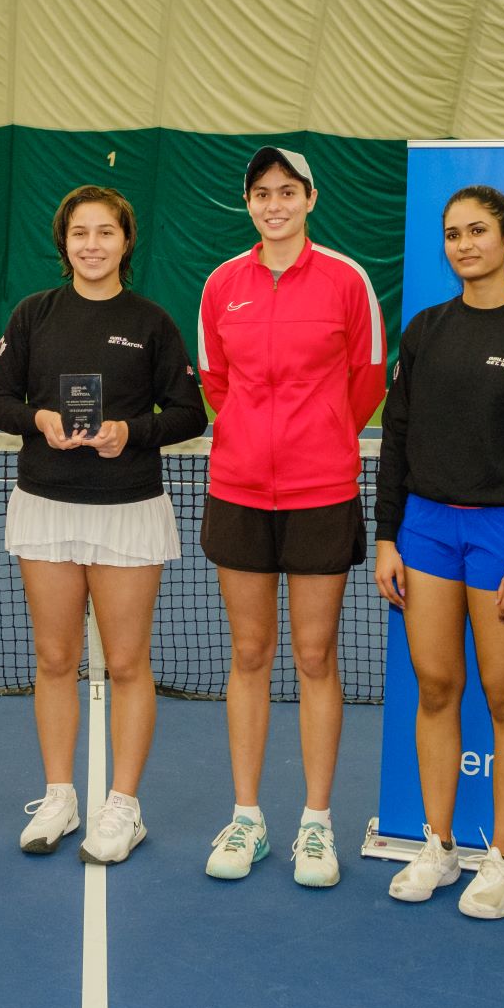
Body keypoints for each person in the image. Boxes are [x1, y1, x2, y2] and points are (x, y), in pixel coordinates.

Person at [0, 186, 206, 865]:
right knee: (54, 659)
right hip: (46, 505)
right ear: (64, 243)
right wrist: (39, 420)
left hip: (128, 510)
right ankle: (60, 794)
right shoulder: (33, 315)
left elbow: (189, 414)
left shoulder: (152, 323)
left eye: (105, 232)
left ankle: (123, 806)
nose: (92, 245)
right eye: (79, 233)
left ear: (125, 241)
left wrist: (128, 433)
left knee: (128, 662)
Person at [373, 186, 504, 919]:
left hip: (502, 534)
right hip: (424, 529)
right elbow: (397, 436)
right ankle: (437, 843)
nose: (464, 245)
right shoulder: (424, 329)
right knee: (434, 685)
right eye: (453, 233)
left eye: (479, 231)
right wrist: (387, 535)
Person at [197, 146, 387, 887]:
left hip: (321, 492)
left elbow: (367, 378)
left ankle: (315, 823)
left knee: (314, 656)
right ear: (249, 204)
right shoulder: (222, 285)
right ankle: (247, 817)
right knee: (248, 654)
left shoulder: (347, 280)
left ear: (310, 198)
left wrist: (319, 439)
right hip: (239, 489)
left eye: (286, 192)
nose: (273, 204)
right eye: (261, 194)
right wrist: (252, 435)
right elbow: (217, 381)